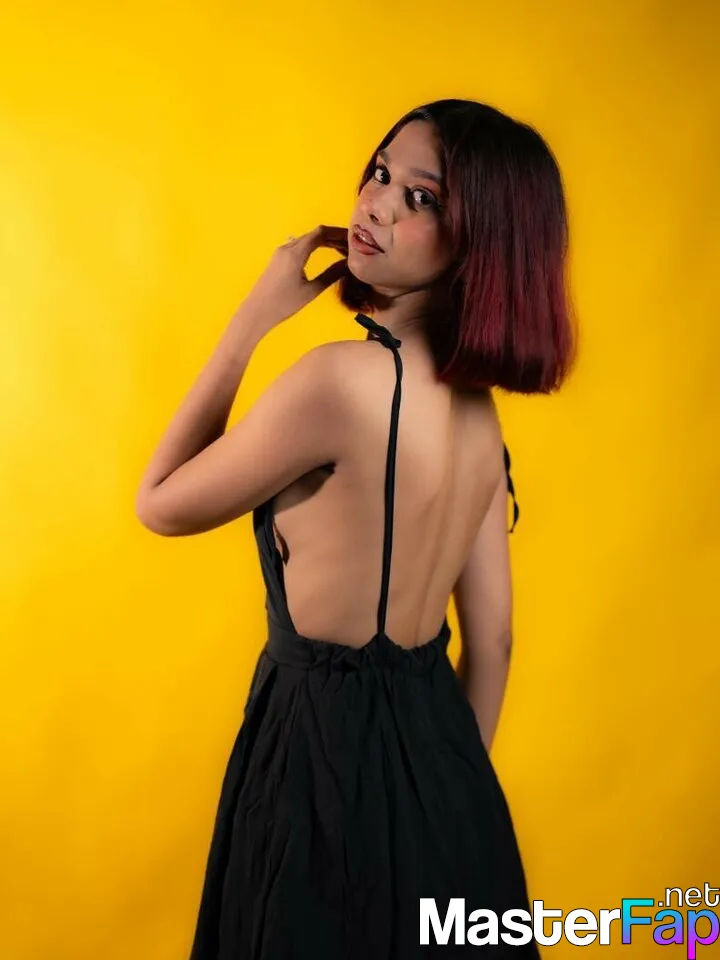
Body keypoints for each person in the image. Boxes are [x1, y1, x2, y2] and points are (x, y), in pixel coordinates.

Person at [136, 98, 575, 958]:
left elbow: (161, 503)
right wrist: (439, 807)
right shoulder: (481, 418)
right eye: (379, 173)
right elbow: (493, 643)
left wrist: (252, 321)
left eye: (422, 198)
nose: (375, 204)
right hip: (450, 785)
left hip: (315, 777)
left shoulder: (337, 383)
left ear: (481, 244)